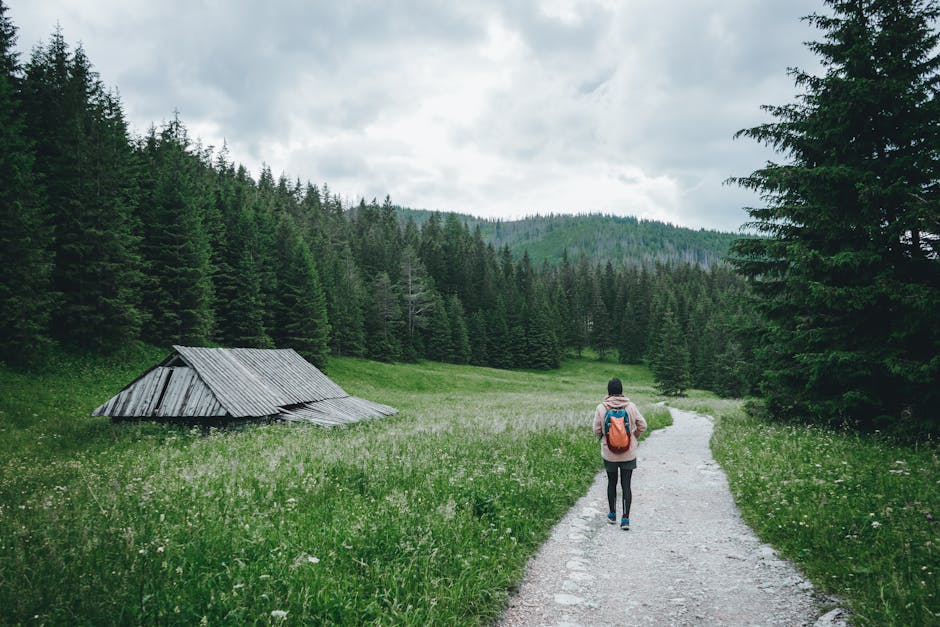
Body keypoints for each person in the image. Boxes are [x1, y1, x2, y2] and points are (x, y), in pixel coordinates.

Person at [593, 377, 647, 530]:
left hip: (609, 453)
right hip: (628, 453)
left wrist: (604, 438)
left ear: (608, 391)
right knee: (626, 485)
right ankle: (625, 519)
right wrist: (633, 437)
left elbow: (596, 430)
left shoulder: (601, 408)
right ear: (621, 391)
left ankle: (612, 514)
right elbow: (643, 425)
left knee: (611, 483)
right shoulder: (631, 406)